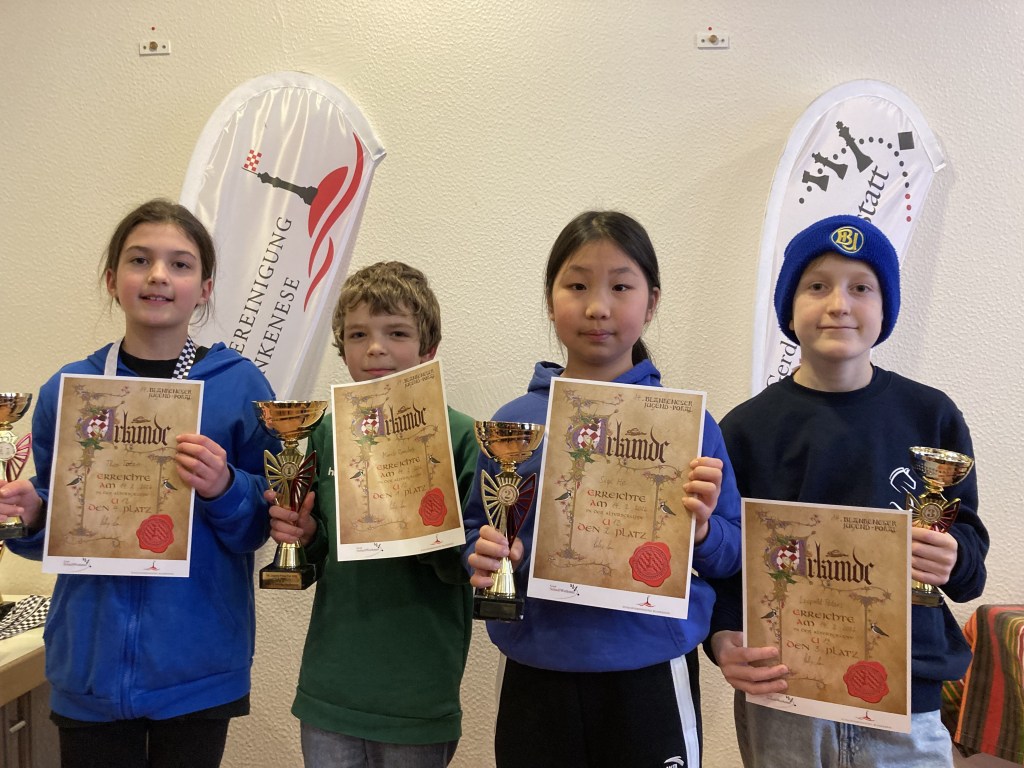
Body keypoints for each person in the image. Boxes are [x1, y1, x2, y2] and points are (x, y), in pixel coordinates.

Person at [0, 199, 278, 768]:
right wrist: (34, 514)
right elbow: (62, 515)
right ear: (112, 280)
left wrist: (225, 485)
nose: (158, 275)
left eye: (180, 264)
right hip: (90, 666)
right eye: (139, 259)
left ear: (204, 288)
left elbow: (259, 527)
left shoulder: (241, 387)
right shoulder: (70, 389)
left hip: (198, 668)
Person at [706, 214, 988, 768]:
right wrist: (720, 639)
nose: (839, 304)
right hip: (784, 693)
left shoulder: (932, 416)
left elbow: (970, 560)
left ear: (885, 310)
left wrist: (954, 557)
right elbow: (724, 557)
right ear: (789, 309)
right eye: (817, 286)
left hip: (906, 697)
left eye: (861, 288)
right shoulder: (744, 430)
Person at [464, 210, 742, 768]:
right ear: (550, 300)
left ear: (652, 302)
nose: (598, 307)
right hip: (536, 668)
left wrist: (702, 529)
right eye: (577, 286)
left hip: (649, 668)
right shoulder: (515, 425)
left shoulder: (688, 427)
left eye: (620, 286)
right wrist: (484, 554)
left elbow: (732, 551)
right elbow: (477, 528)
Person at [267, 261, 477, 768]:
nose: (375, 348)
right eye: (358, 334)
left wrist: (423, 526)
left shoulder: (461, 437)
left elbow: (469, 564)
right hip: (331, 688)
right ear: (342, 349)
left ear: (428, 347)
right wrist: (305, 535)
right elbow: (319, 551)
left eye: (397, 333)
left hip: (417, 693)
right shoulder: (322, 432)